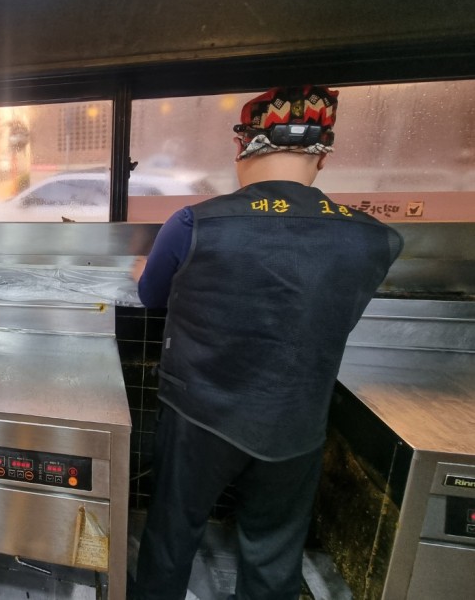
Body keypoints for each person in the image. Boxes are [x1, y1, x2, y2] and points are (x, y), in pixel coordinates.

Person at [129, 86, 403, 600]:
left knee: (173, 529)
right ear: (322, 157)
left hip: (199, 414)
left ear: (241, 147)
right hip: (298, 419)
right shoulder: (376, 238)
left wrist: (146, 271)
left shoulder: (194, 223)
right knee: (274, 547)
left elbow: (152, 296)